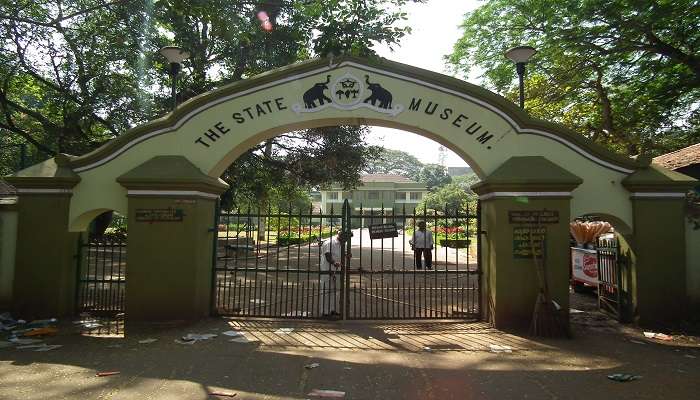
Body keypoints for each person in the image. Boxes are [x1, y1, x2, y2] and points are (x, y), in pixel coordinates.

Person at [319, 230, 351, 317]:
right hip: (327, 270)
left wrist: (346, 255)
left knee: (334, 291)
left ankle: (331, 309)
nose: (347, 241)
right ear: (341, 236)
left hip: (337, 270)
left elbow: (338, 254)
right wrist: (334, 263)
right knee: (326, 291)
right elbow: (328, 255)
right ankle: (325, 312)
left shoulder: (341, 244)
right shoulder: (329, 243)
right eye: (346, 238)